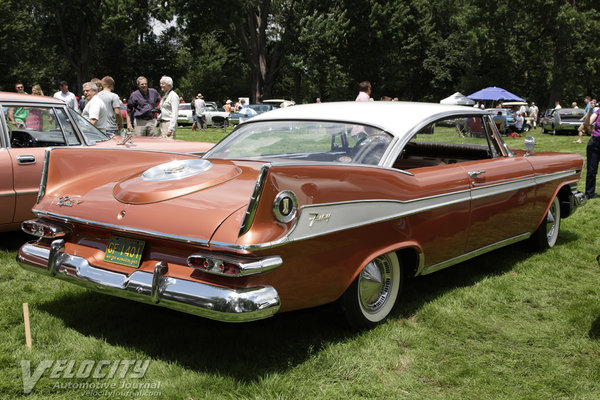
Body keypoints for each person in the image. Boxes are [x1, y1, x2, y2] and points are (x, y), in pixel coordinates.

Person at [585, 107, 600, 199]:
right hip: (595, 143)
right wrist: (590, 111)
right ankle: (589, 194)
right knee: (591, 170)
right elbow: (587, 124)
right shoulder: (598, 111)